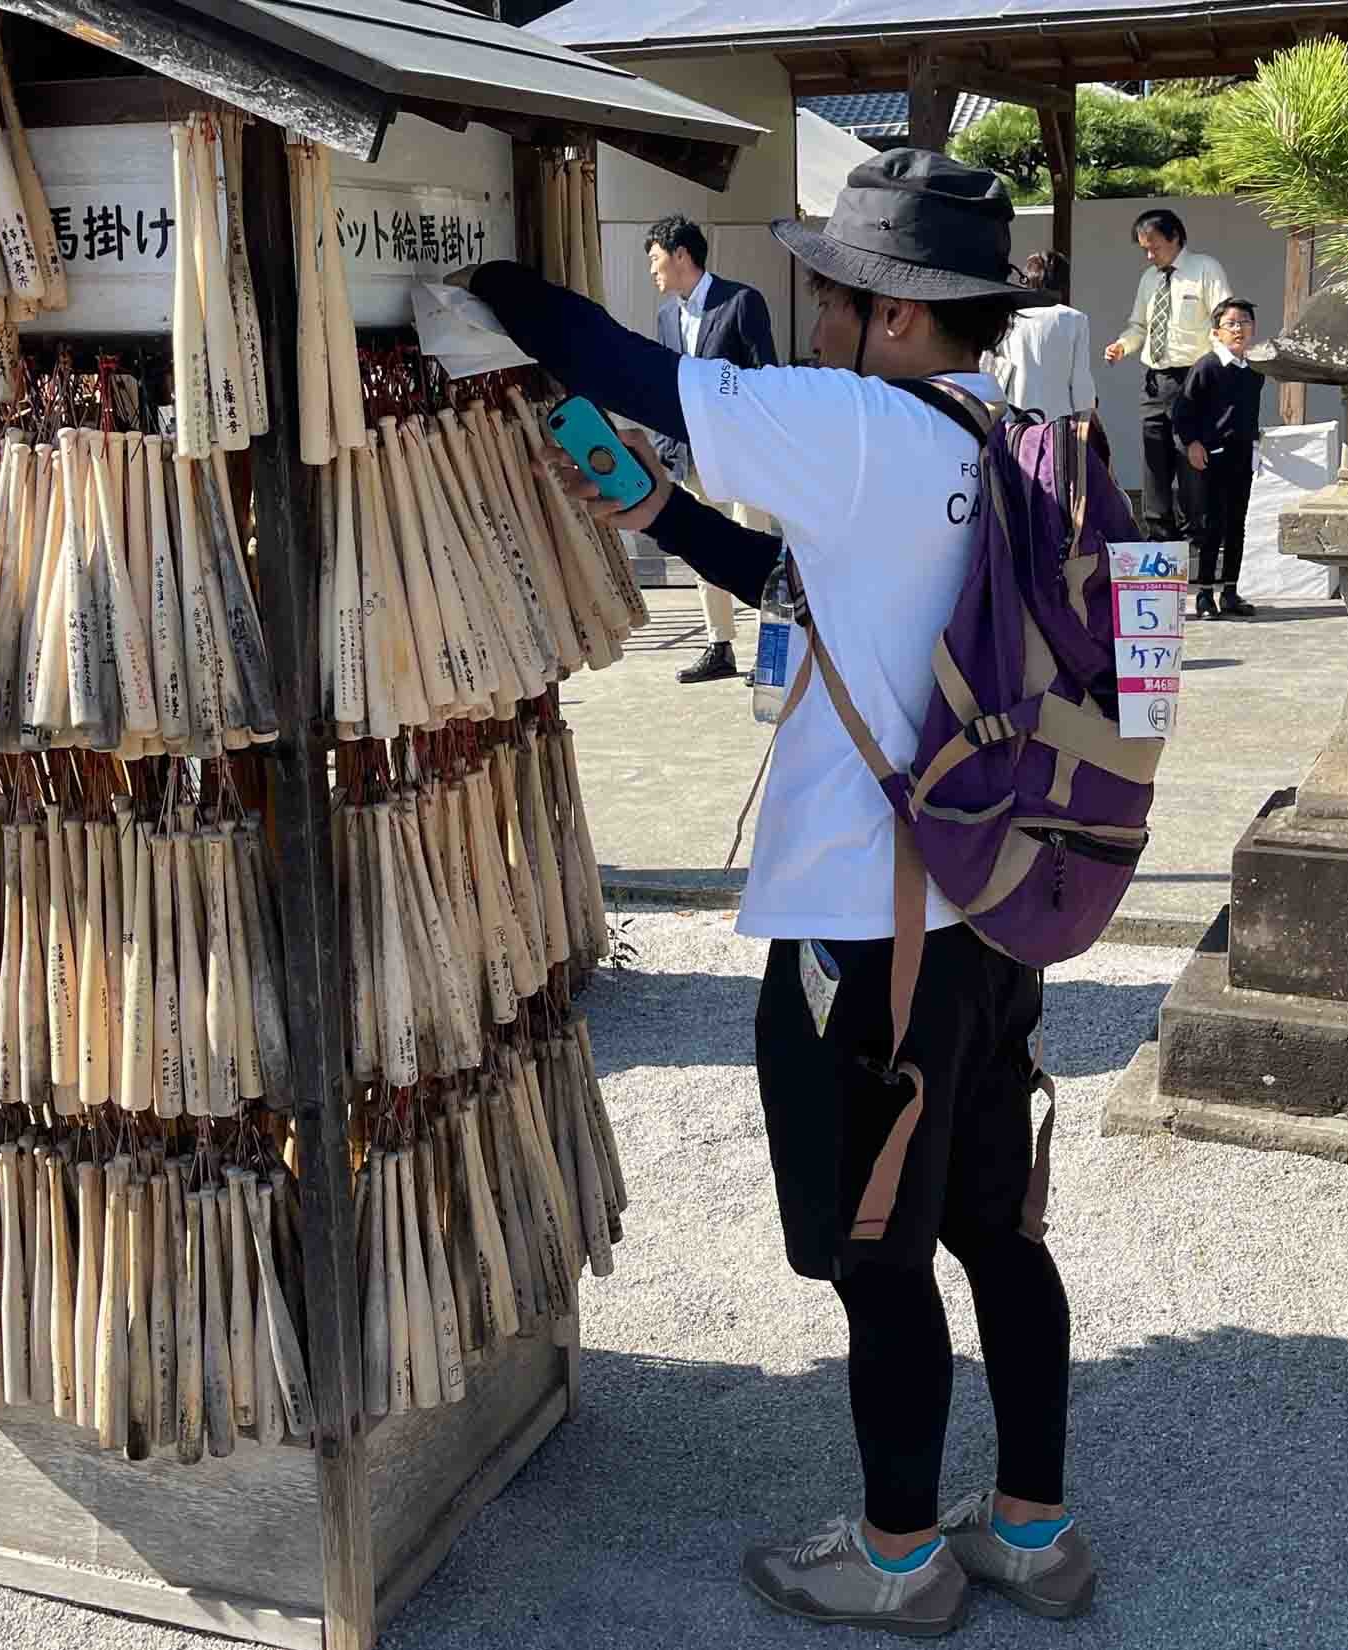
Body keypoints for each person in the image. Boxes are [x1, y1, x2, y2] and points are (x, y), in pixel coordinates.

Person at [456, 149, 1092, 1637]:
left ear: (884, 311)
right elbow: (800, 585)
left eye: (826, 291)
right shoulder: (999, 432)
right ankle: (1032, 1529)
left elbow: (622, 359)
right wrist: (657, 516)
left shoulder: (858, 420)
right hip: (992, 899)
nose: (807, 314)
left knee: (874, 1251)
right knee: (996, 1225)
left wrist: (475, 284)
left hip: (867, 922)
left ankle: (889, 1556)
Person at [645, 213, 779, 684]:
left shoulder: (741, 302)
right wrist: (666, 447)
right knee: (703, 548)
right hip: (690, 454)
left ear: (682, 255)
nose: (653, 270)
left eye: (656, 259)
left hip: (742, 454)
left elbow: (766, 377)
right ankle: (718, 645)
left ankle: (771, 650)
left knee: (755, 545)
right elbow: (665, 384)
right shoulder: (666, 316)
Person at [1103, 208, 1230, 543]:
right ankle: (1160, 536)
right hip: (1155, 379)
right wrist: (1122, 346)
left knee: (1192, 458)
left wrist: (1216, 373)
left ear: (1175, 238)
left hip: (1194, 377)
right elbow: (1139, 327)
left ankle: (1199, 538)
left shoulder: (1205, 269)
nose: (1149, 255)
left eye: (1155, 247)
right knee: (1154, 459)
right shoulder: (1150, 279)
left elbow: (1224, 324)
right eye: (1144, 248)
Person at [1172, 298, 1263, 619]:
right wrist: (1192, 444)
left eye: (1245, 323)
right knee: (1211, 523)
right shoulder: (1207, 366)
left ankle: (1231, 590)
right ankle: (1204, 594)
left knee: (1237, 524)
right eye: (1232, 324)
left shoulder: (1254, 370)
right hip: (1212, 456)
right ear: (1217, 331)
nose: (1239, 329)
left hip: (1242, 454)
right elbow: (1182, 411)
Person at [981, 251, 1095, 421]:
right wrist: (1086, 415)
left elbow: (987, 367)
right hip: (1058, 422)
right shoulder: (1075, 319)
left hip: (1014, 416)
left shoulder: (1009, 317)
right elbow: (1081, 381)